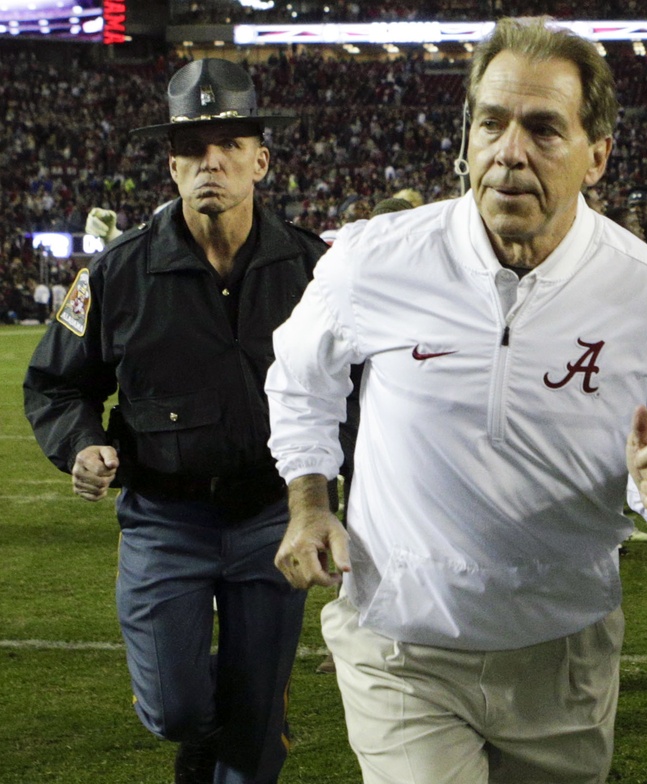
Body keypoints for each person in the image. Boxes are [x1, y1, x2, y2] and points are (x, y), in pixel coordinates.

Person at [264, 16, 647, 784]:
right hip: (402, 642)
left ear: (598, 156)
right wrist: (310, 499)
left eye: (544, 129)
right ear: (467, 136)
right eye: (492, 123)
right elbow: (298, 373)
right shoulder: (375, 260)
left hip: (564, 649)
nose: (510, 152)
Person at [23, 58, 331, 784]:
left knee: (255, 729)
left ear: (261, 160)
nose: (210, 160)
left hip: (272, 516)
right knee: (175, 709)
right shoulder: (111, 274)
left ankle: (250, 719)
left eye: (228, 144)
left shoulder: (317, 272)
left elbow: (353, 391)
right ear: (171, 166)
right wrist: (84, 443)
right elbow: (55, 386)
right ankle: (214, 718)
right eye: (193, 147)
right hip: (165, 520)